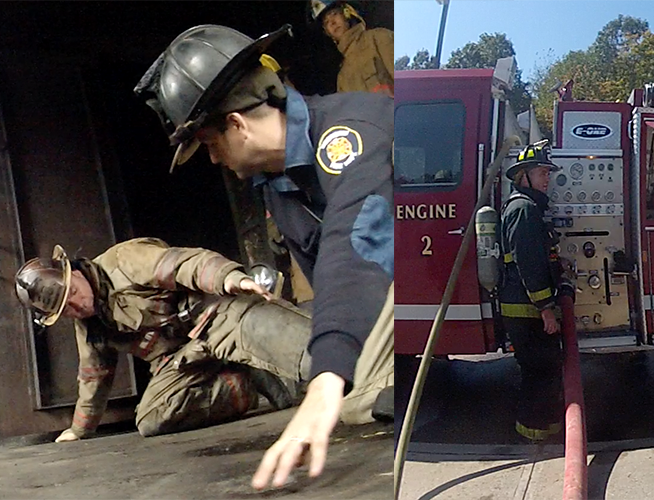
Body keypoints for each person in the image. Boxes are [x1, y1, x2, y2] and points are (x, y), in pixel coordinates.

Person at [133, 24, 394, 489]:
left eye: (210, 144)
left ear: (236, 123)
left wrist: (327, 379)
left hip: (420, 279)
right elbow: (320, 274)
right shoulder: (276, 185)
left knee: (349, 392)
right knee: (346, 379)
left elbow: (353, 245)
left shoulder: (350, 131)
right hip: (376, 297)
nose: (213, 160)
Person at [14, 239, 309, 440]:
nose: (76, 308)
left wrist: (228, 278)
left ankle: (341, 371)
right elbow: (94, 378)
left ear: (74, 272)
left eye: (72, 295)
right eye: (65, 310)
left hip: (212, 318)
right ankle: (248, 385)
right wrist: (79, 431)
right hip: (186, 358)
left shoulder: (123, 261)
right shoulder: (89, 326)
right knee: (152, 418)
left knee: (295, 345)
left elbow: (183, 264)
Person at [498, 141, 572, 443]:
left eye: (547, 173)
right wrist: (545, 309)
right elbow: (528, 262)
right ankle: (536, 433)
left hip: (524, 306)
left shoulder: (525, 207)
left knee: (541, 370)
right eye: (542, 172)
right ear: (523, 176)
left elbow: (539, 256)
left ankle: (542, 428)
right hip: (526, 309)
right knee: (540, 372)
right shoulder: (524, 209)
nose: (547, 178)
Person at [311, 0, 394, 95]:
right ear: (327, 33)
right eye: (326, 22)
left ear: (348, 13)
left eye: (334, 14)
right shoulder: (342, 77)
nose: (332, 23)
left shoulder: (377, 38)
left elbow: (403, 80)